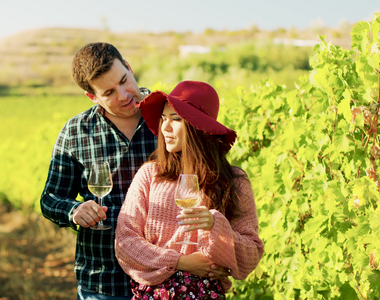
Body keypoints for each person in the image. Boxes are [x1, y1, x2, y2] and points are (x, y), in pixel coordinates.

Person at [40, 43, 230, 299]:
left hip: (170, 283)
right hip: (103, 280)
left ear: (129, 67)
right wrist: (74, 210)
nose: (123, 94)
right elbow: (49, 199)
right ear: (92, 96)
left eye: (123, 80)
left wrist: (218, 252)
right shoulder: (76, 132)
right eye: (108, 92)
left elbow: (211, 180)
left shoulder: (172, 115)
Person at [115, 80, 264, 299]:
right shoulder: (150, 174)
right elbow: (125, 242)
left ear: (197, 126)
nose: (165, 128)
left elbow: (250, 256)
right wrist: (181, 262)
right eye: (163, 119)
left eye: (175, 120)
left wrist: (216, 226)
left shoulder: (234, 181)